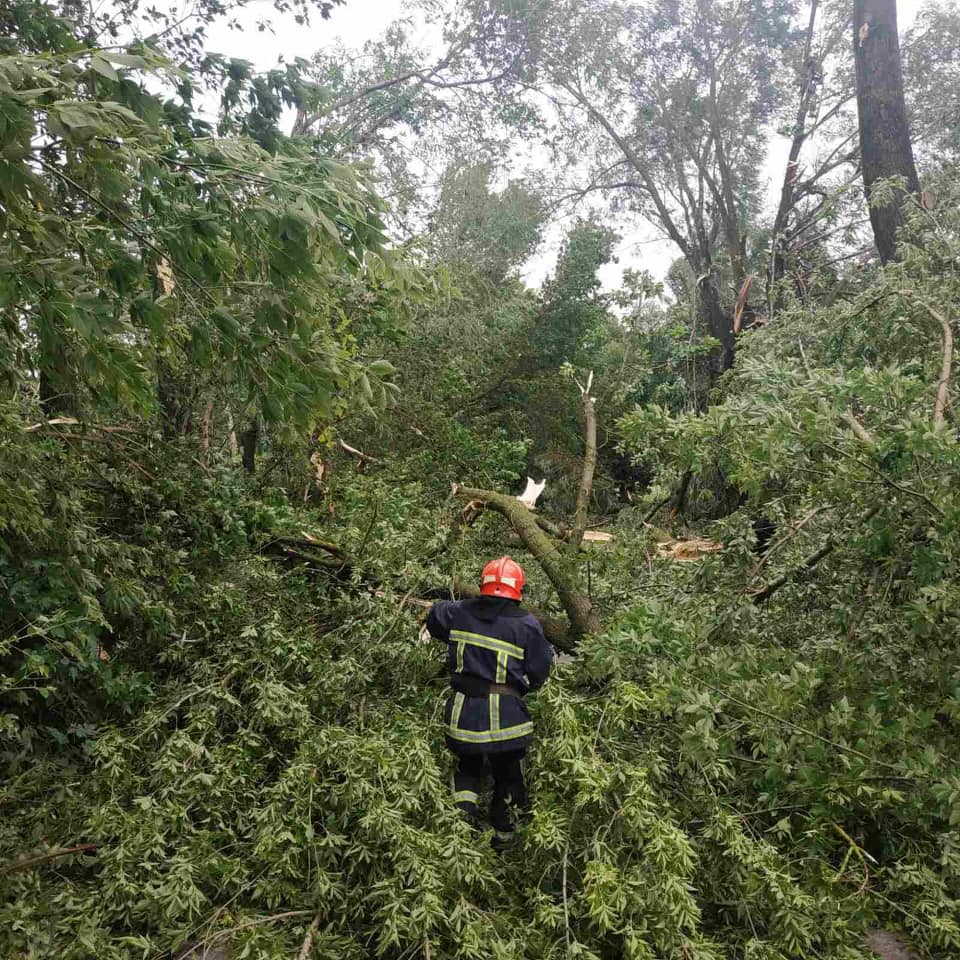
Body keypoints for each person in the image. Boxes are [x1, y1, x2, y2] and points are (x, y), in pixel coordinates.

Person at [425, 556, 553, 842]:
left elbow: (434, 617)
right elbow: (540, 671)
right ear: (518, 590)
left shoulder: (457, 612)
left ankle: (461, 828)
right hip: (507, 720)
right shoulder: (527, 625)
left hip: (462, 715)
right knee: (508, 776)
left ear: (482, 585)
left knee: (466, 767)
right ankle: (503, 841)